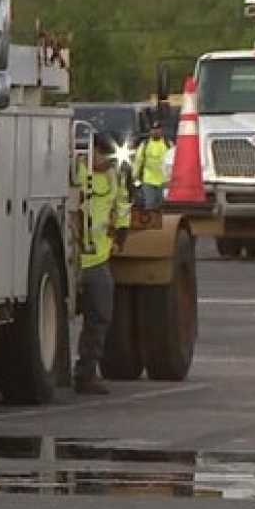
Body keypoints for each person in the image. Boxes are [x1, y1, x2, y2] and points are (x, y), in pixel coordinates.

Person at [74, 133, 131, 395]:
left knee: (100, 316)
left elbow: (121, 206)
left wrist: (121, 235)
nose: (107, 162)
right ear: (91, 151)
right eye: (103, 156)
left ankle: (86, 373)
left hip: (97, 259)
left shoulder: (113, 177)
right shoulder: (75, 172)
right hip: (73, 257)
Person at [135, 116, 172, 210]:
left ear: (161, 131)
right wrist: (135, 176)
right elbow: (138, 160)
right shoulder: (145, 144)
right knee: (149, 204)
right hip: (148, 180)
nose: (155, 131)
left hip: (165, 181)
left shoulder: (168, 144)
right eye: (153, 129)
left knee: (162, 205)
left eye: (158, 129)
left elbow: (174, 161)